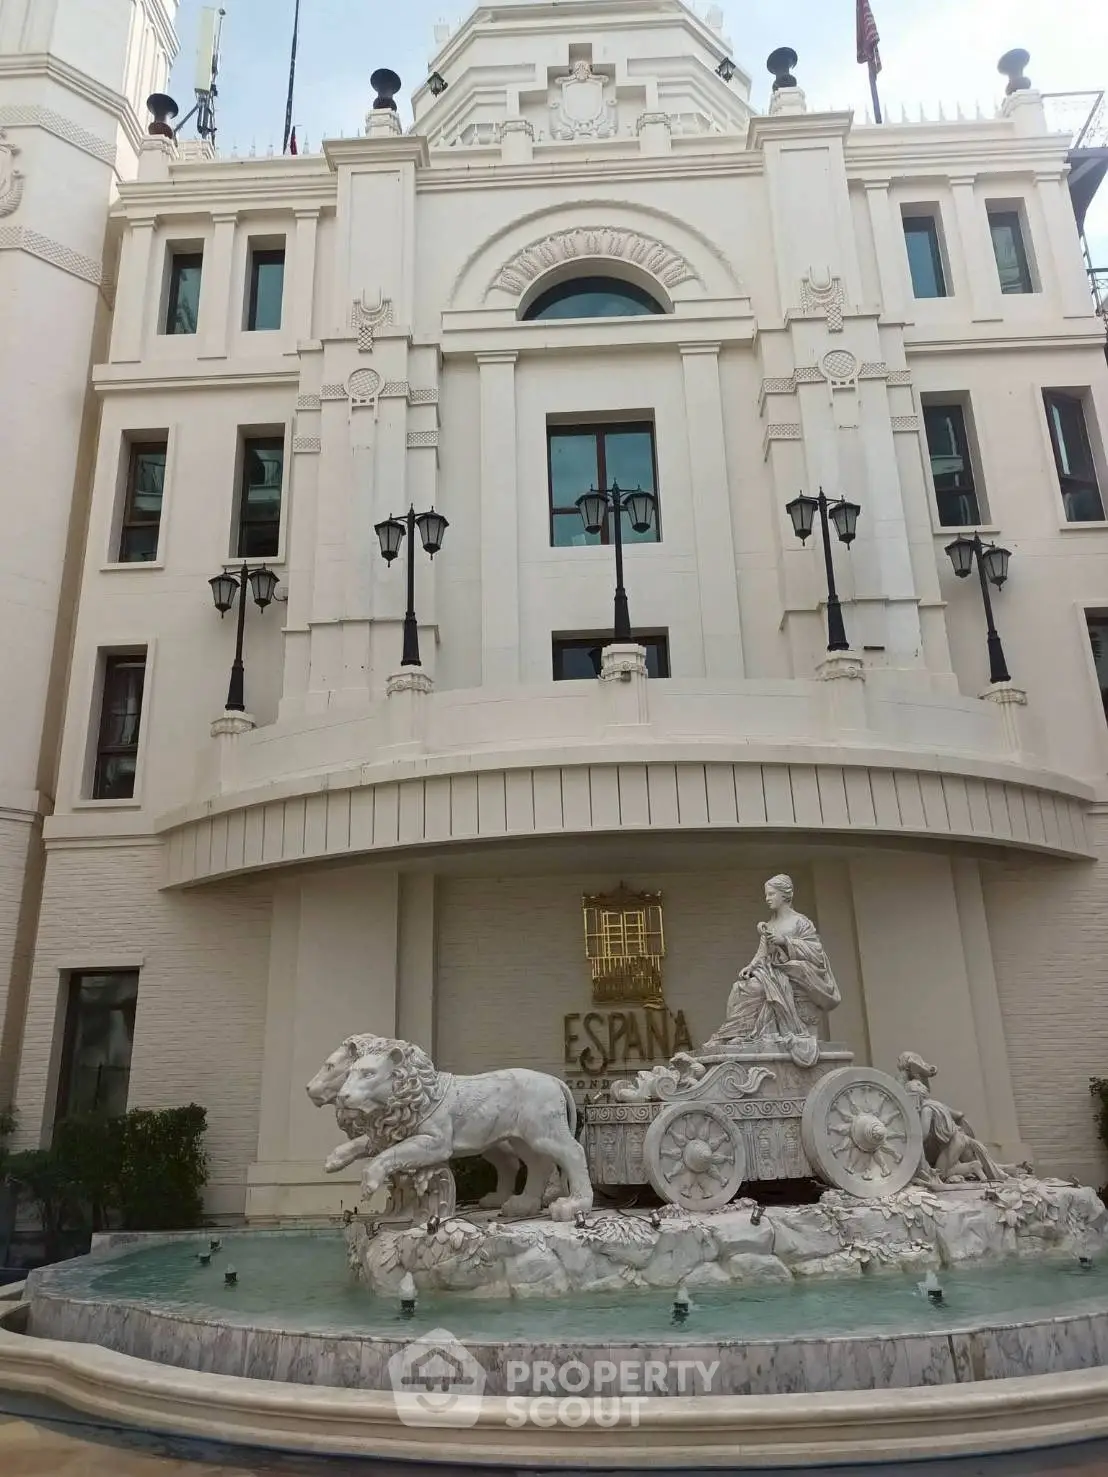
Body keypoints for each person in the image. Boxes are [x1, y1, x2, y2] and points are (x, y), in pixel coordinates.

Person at [705, 875, 840, 1067]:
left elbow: (816, 951)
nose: (767, 898)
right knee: (739, 987)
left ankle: (732, 1034)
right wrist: (751, 966)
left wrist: (785, 942)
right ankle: (737, 1033)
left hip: (790, 975)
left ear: (785, 895)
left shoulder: (800, 922)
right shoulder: (770, 924)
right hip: (770, 972)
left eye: (771, 894)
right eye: (766, 894)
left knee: (755, 988)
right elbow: (762, 953)